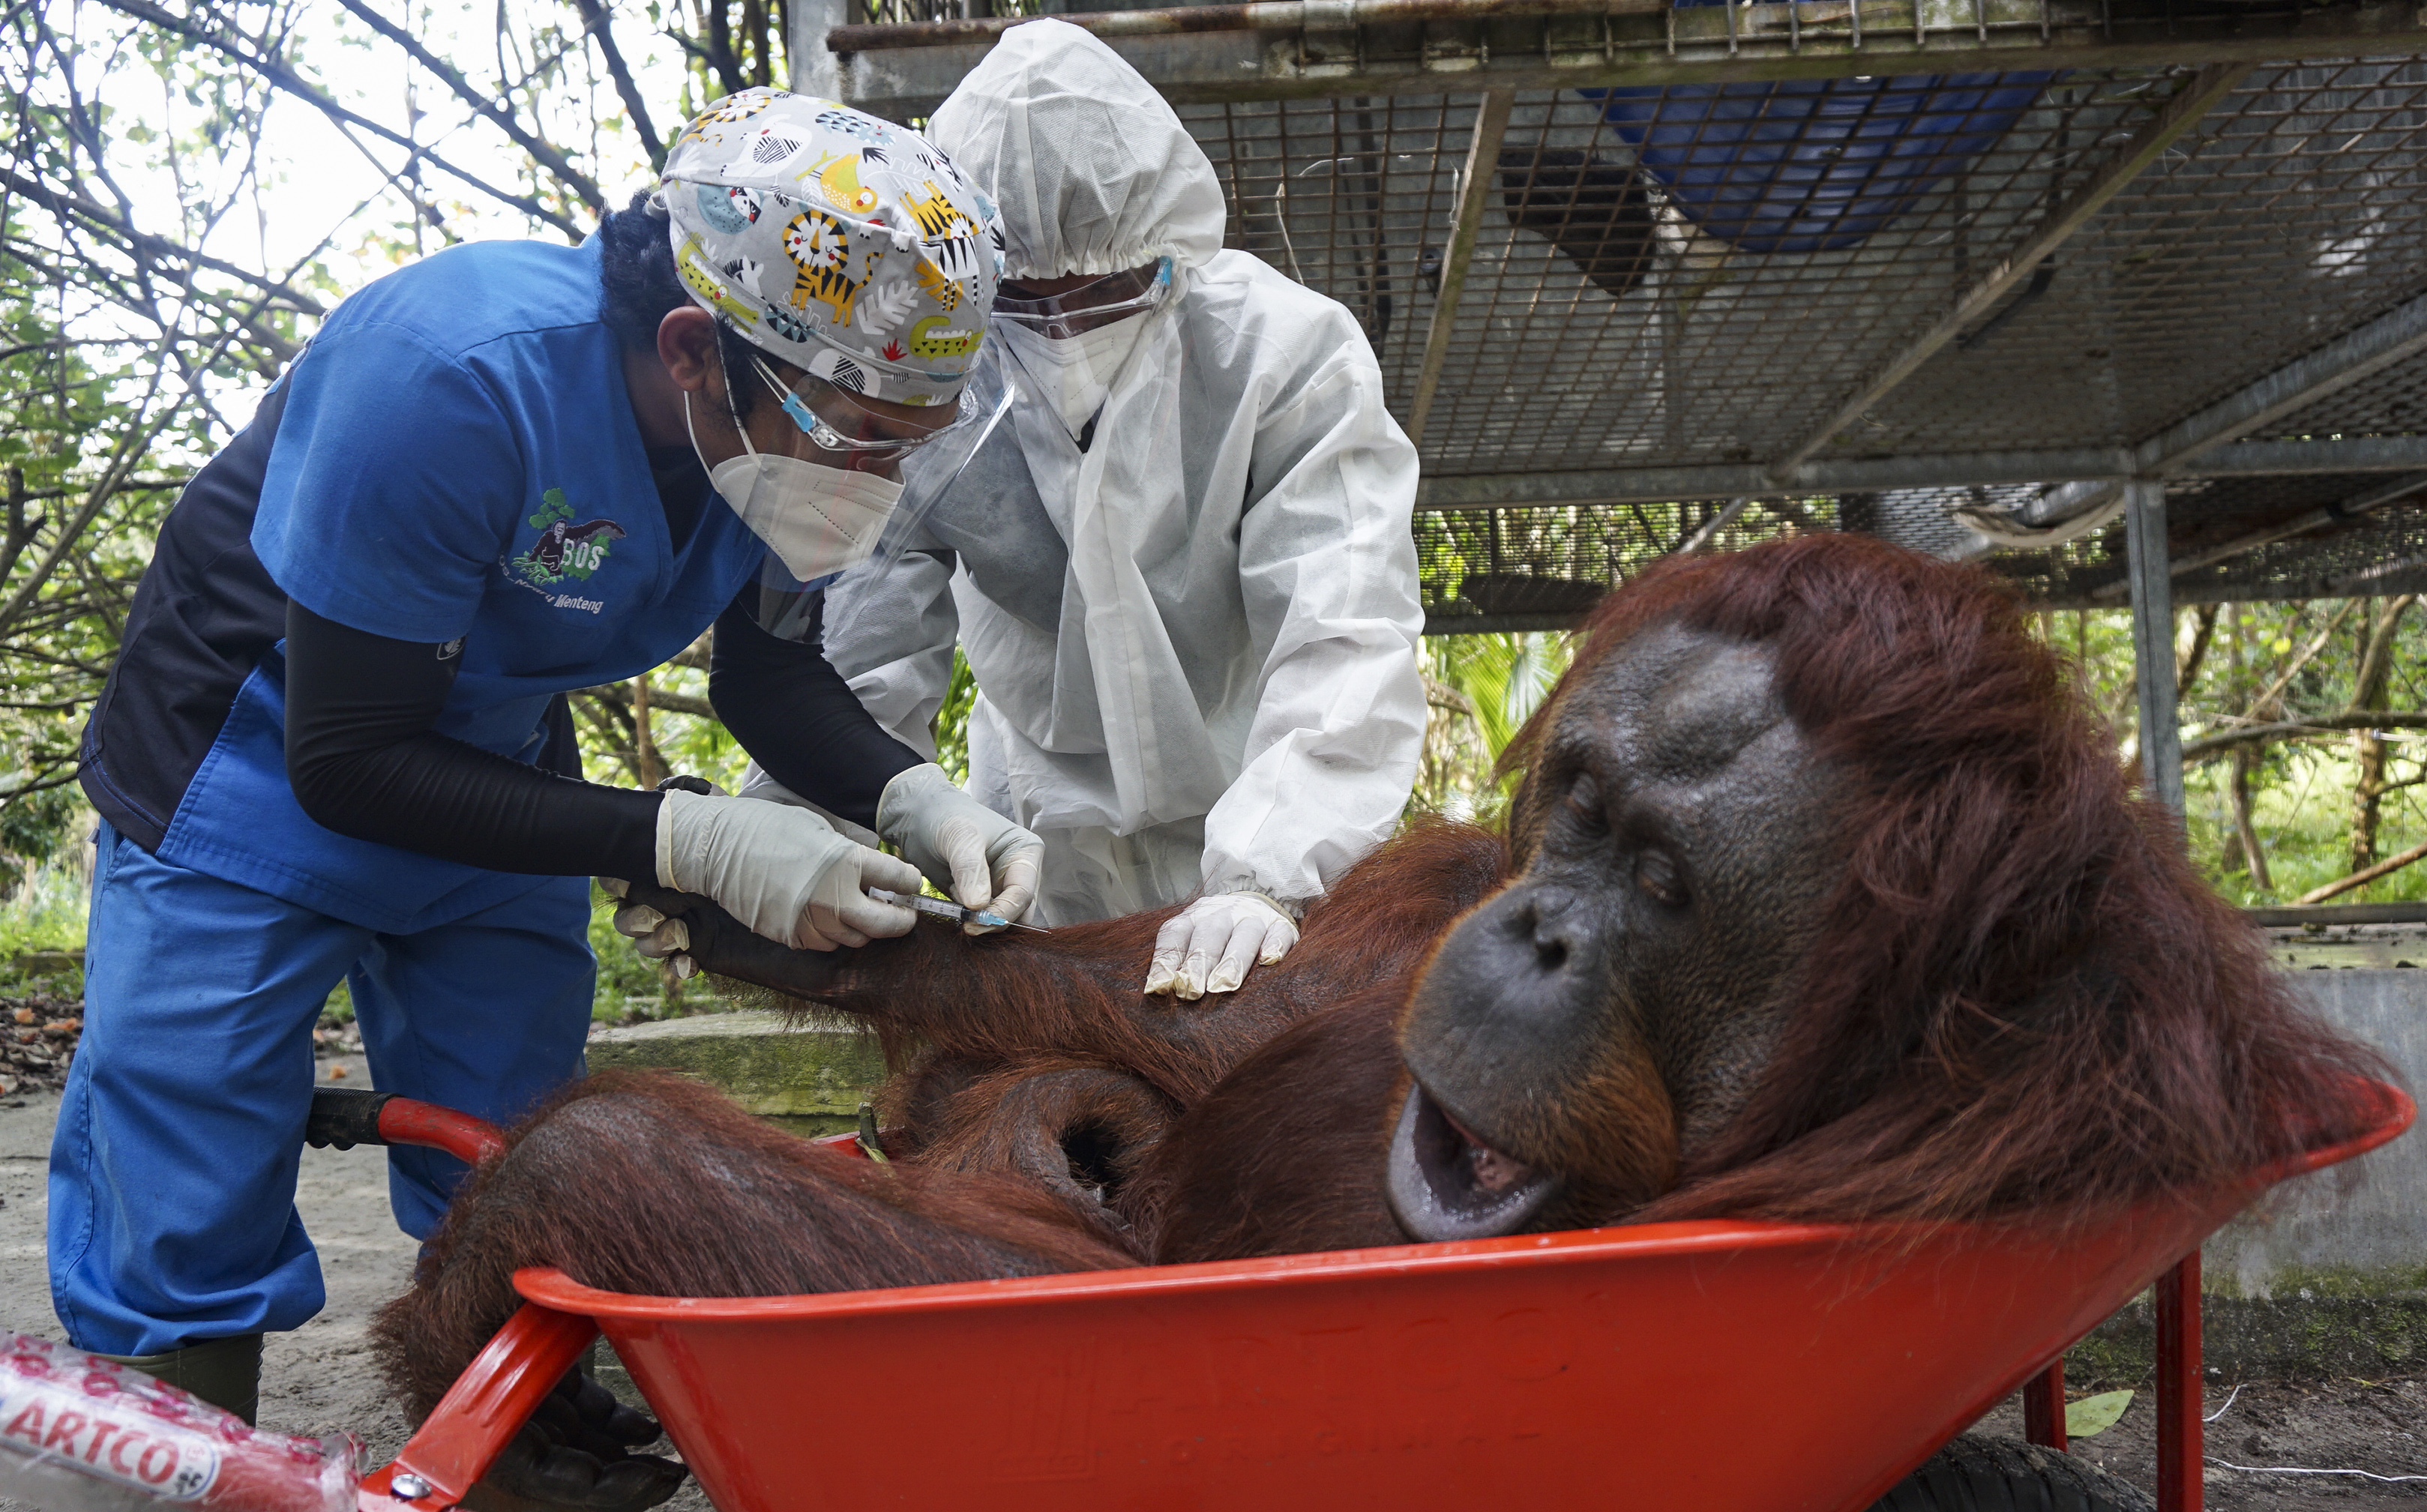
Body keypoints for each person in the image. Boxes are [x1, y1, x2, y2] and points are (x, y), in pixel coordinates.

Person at [53, 91, 1038, 1436]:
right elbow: (344, 758)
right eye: (853, 429)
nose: (870, 472)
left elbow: (768, 673)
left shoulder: (767, 433)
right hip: (254, 745)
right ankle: (182, 1435)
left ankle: (521, 1418)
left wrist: (913, 796)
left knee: (517, 1116)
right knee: (190, 1116)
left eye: (904, 439)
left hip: (492, 739)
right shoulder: (452, 377)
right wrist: (686, 838)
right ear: (694, 346)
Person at [802, 22, 1427, 1002]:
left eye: (1097, 293)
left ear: (1164, 251)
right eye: (1020, 298)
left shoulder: (1280, 357)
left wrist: (1272, 872)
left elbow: (1343, 624)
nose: (1057, 326)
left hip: (1254, 791)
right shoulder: (930, 387)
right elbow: (862, 651)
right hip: (1033, 828)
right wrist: (805, 839)